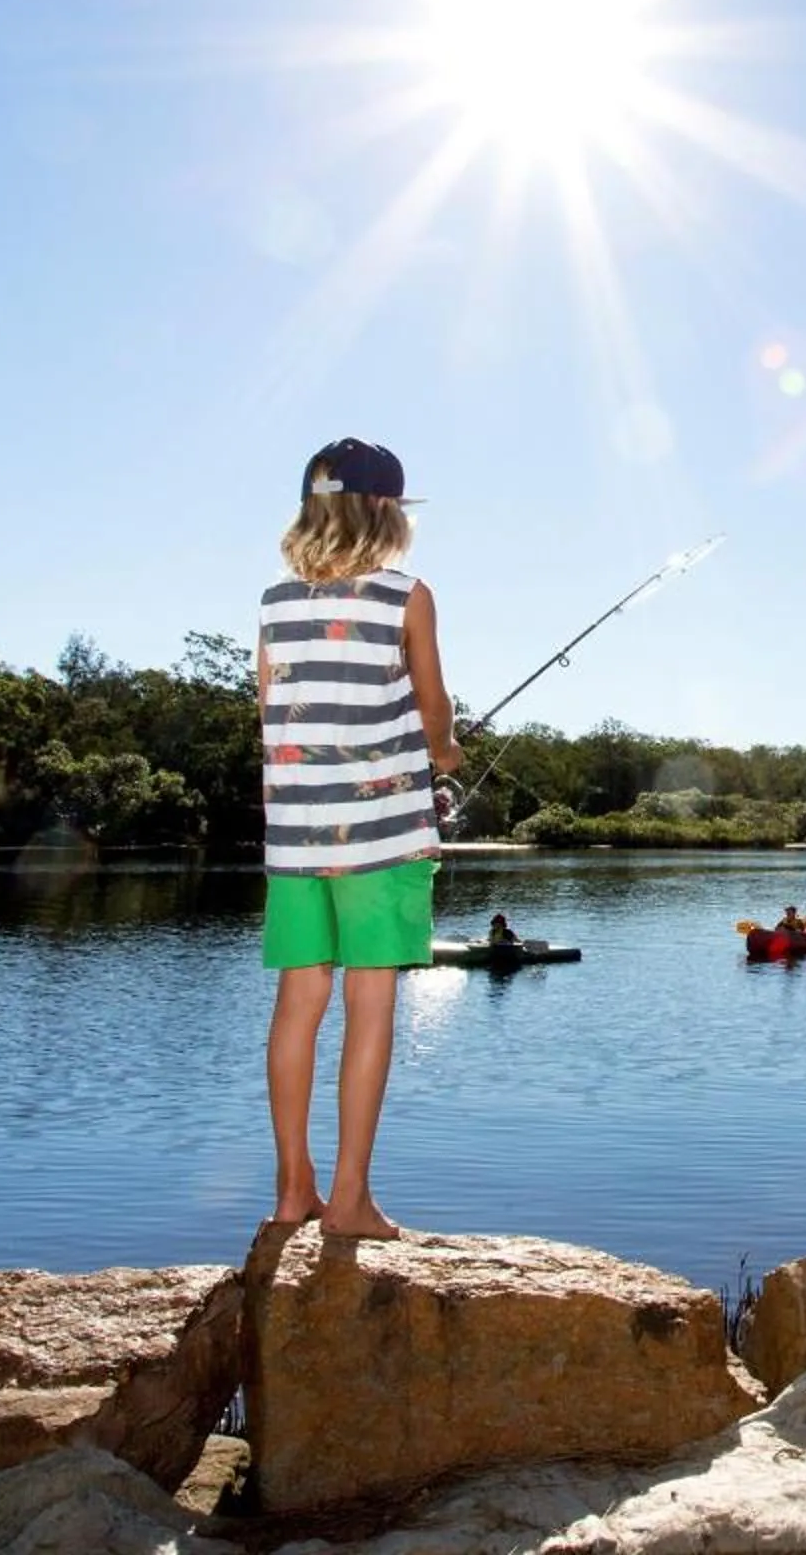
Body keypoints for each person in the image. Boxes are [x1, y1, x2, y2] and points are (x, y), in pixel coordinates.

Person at [258, 437, 461, 1241]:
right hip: (381, 834)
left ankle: (289, 1192)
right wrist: (442, 753)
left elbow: (271, 720)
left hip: (295, 839)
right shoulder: (406, 596)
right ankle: (348, 1201)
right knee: (368, 1003)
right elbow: (435, 713)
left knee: (296, 1006)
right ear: (384, 509)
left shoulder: (275, 600)